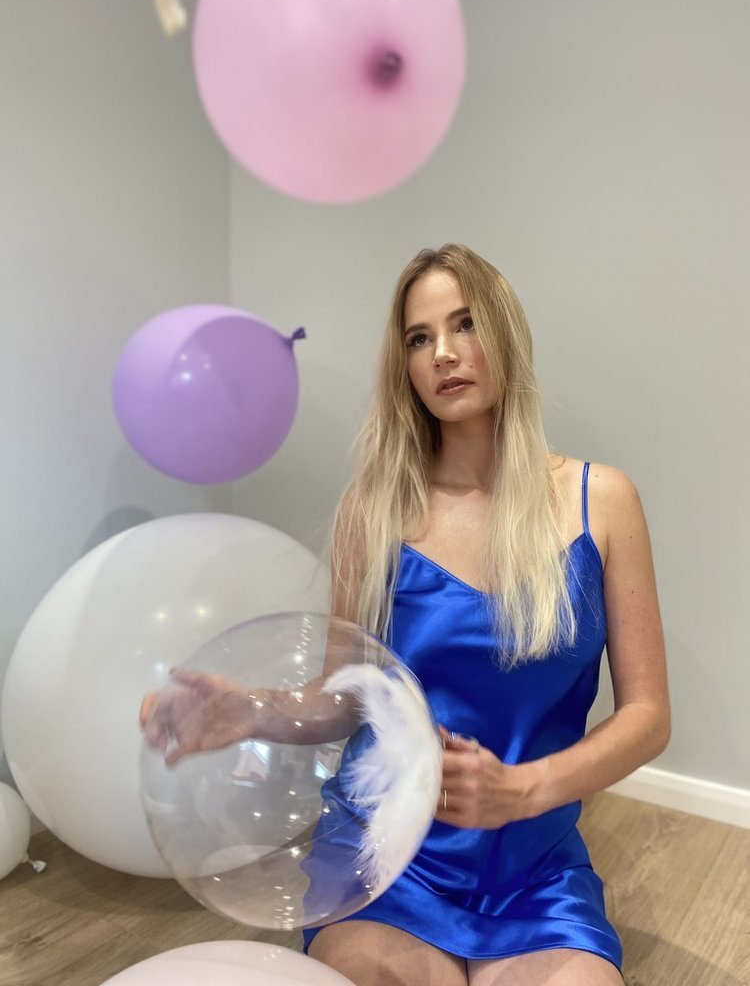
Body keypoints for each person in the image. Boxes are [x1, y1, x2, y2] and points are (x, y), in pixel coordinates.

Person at [142, 244, 669, 986]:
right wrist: (252, 710)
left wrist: (523, 790)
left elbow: (648, 717)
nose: (443, 353)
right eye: (419, 338)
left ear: (506, 334)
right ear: (406, 368)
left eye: (465, 324)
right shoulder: (373, 510)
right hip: (386, 857)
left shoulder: (602, 502)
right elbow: (344, 698)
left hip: (534, 866)